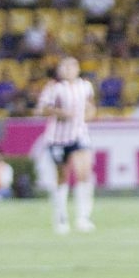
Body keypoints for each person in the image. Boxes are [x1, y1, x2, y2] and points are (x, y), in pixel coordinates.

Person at [37, 57, 97, 233]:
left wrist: (89, 115)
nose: (68, 70)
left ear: (78, 69)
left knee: (84, 174)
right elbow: (42, 109)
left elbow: (91, 107)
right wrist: (61, 113)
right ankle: (61, 216)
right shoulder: (54, 88)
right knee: (62, 176)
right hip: (58, 138)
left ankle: (83, 217)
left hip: (79, 134)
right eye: (65, 67)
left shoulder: (85, 86)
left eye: (72, 67)